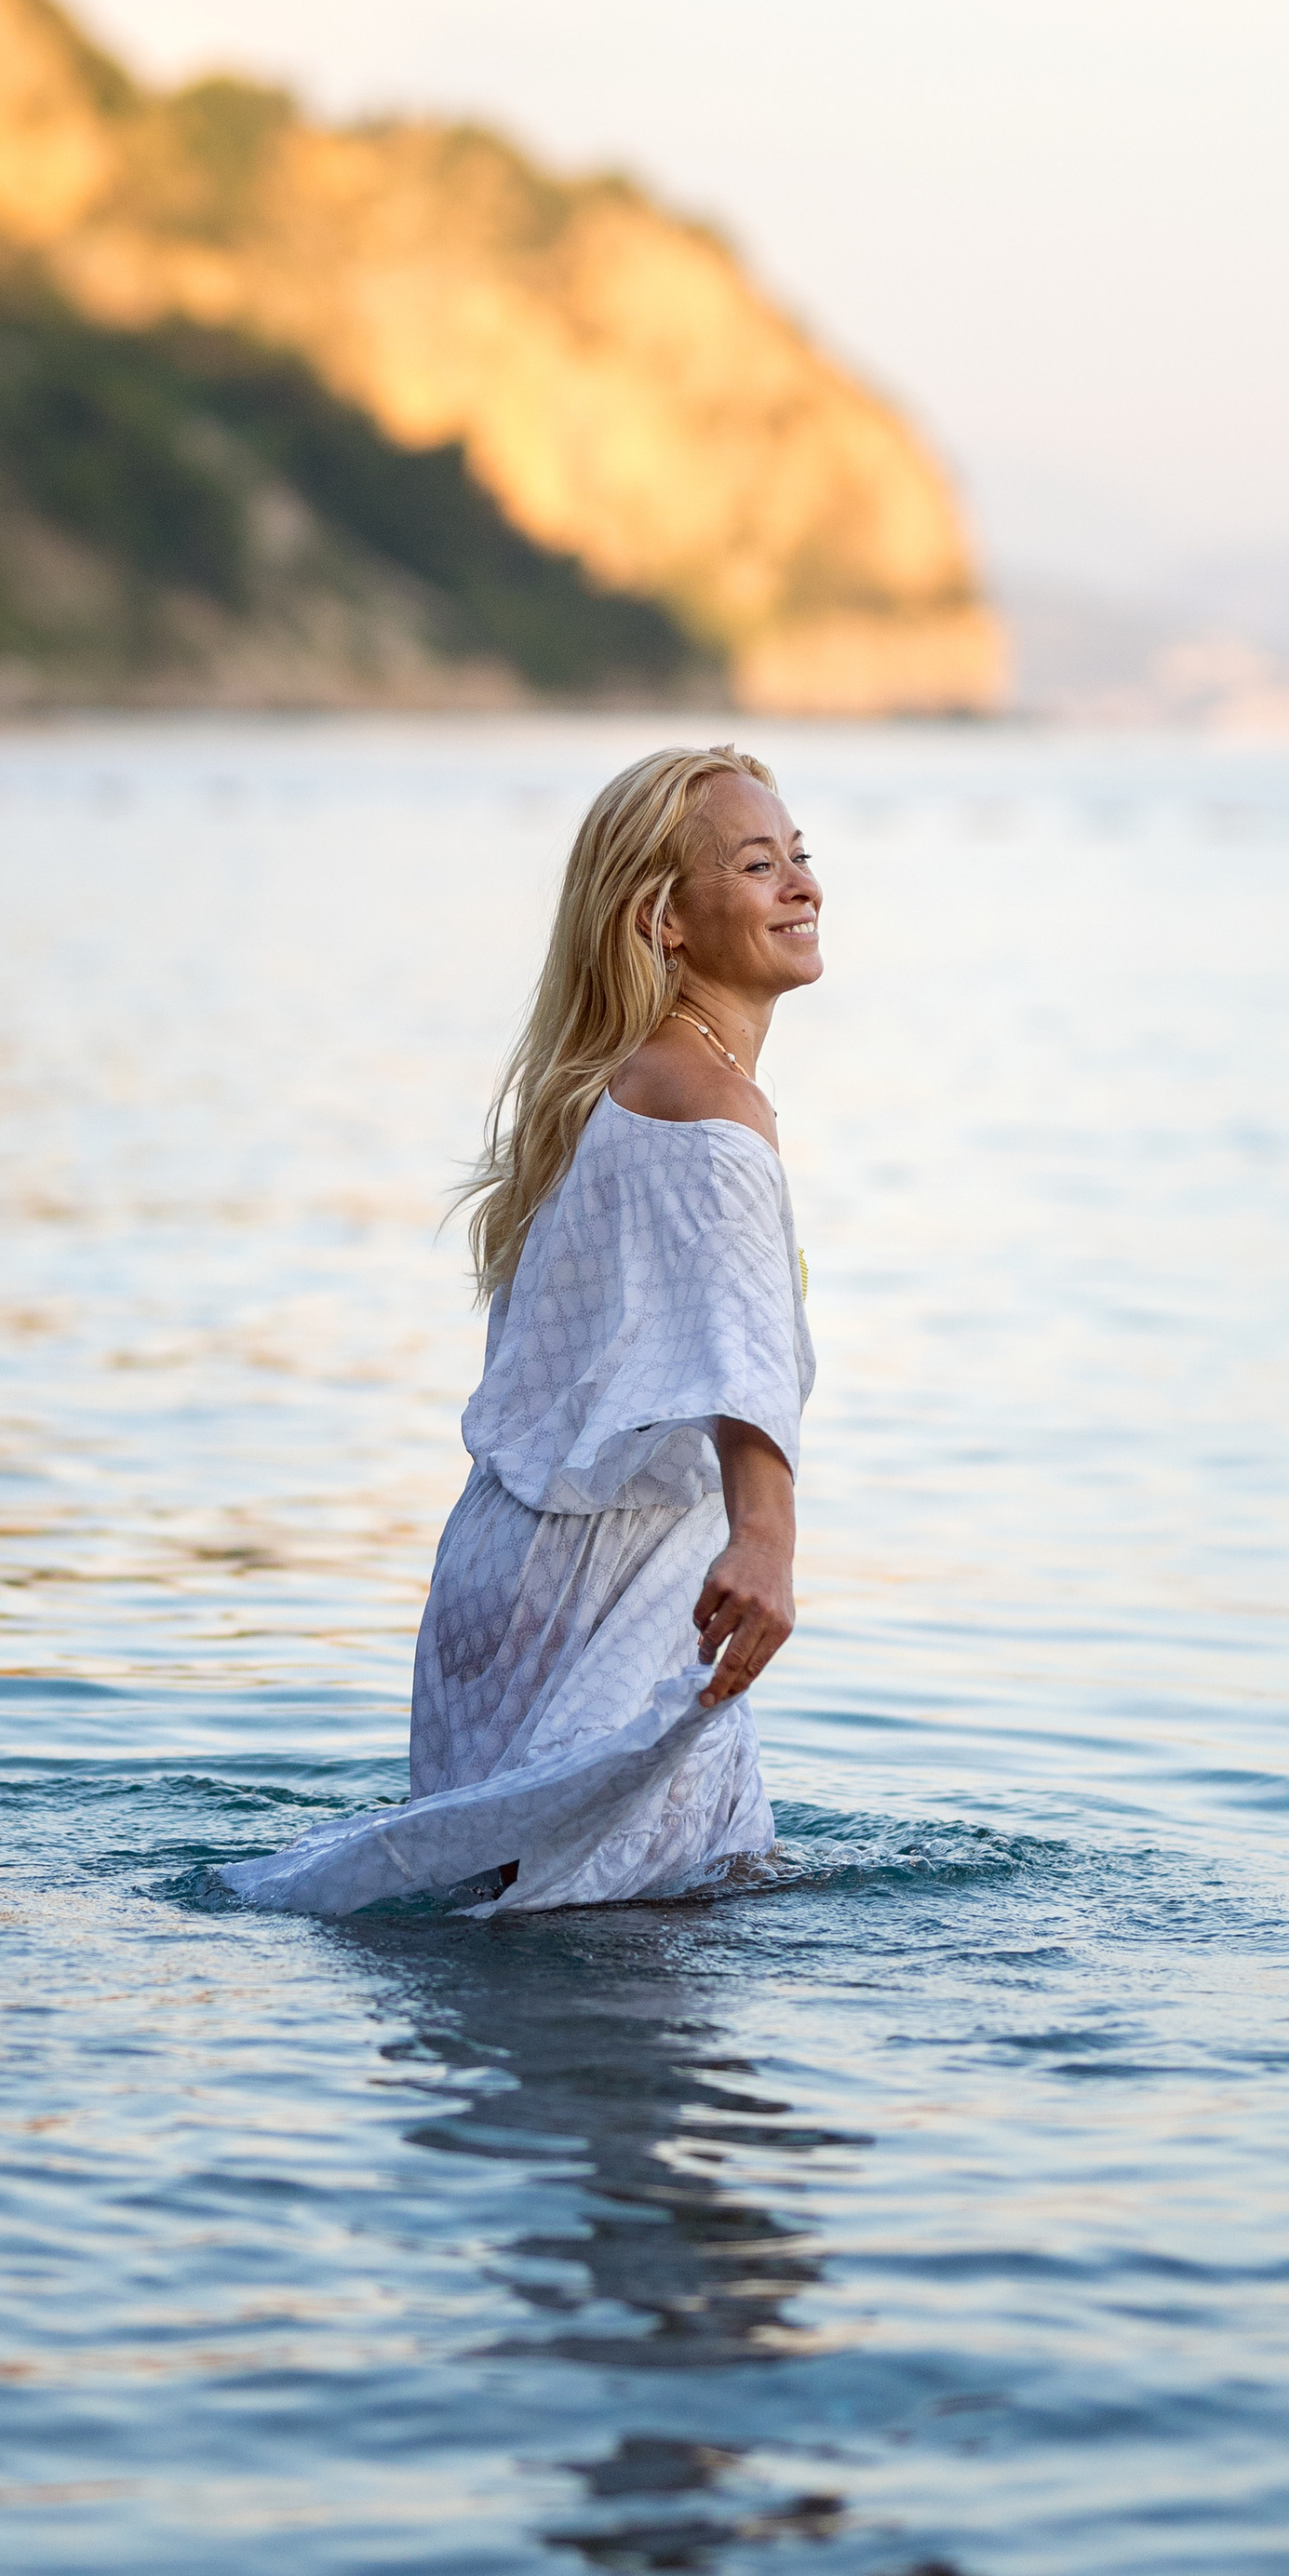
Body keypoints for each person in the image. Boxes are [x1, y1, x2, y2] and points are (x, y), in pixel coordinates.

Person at [224, 745, 819, 1918]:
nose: (801, 885)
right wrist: (767, 1544)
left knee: (544, 1910)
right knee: (622, 1954)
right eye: (758, 865)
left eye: (801, 856)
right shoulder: (710, 1107)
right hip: (610, 1573)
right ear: (665, 920)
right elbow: (739, 1347)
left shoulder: (604, 1086)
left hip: (500, 1565)